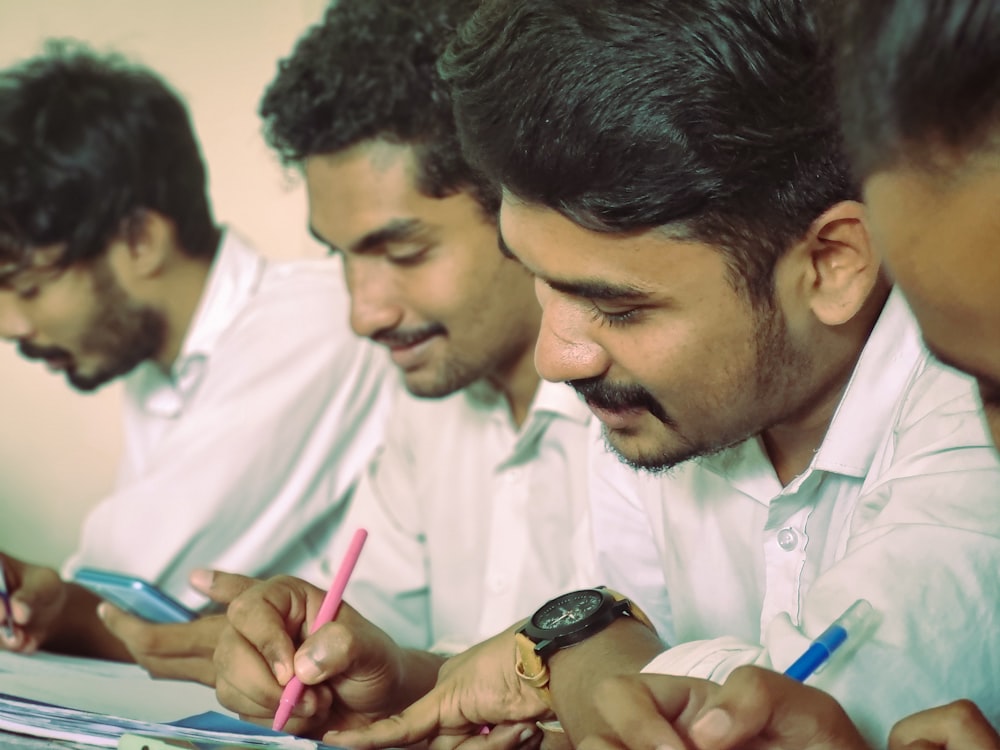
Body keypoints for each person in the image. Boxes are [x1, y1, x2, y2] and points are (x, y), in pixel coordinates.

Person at [324, 0, 1000, 748]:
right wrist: (575, 662)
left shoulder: (975, 399)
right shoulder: (648, 407)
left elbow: (804, 719)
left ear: (830, 261)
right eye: (541, 281)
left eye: (615, 306)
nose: (559, 357)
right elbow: (607, 694)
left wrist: (587, 657)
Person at [208, 0, 594, 737]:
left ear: (523, 204)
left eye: (405, 253)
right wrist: (309, 659)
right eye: (341, 254)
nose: (365, 313)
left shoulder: (653, 413)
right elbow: (380, 642)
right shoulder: (427, 400)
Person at [0, 42, 391, 682]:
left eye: (28, 286)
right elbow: (123, 603)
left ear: (139, 240)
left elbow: (139, 581)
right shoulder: (162, 365)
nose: (10, 325)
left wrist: (51, 595)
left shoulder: (311, 325)